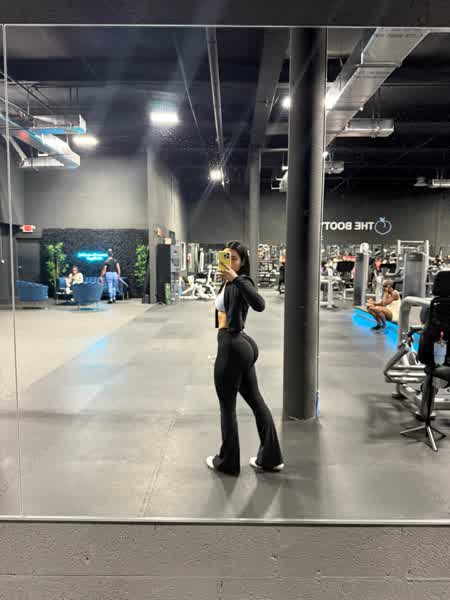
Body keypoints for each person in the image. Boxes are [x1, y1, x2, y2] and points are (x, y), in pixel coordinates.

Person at [206, 241, 284, 476]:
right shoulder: (228, 283)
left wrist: (236, 278)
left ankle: (228, 463)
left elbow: (259, 304)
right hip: (240, 345)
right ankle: (270, 458)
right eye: (226, 257)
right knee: (256, 400)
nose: (230, 262)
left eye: (235, 259)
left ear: (242, 262)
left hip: (233, 346)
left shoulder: (242, 281)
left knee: (227, 408)